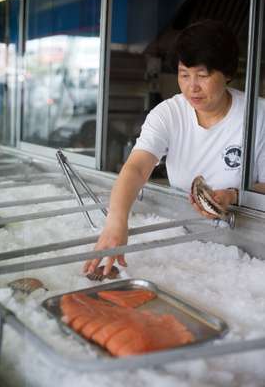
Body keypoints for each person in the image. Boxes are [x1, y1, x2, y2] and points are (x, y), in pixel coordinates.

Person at [83, 19, 265, 276]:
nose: (192, 86)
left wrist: (234, 195)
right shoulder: (169, 113)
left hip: (249, 248)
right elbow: (136, 168)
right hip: (186, 239)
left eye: (202, 75)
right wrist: (116, 221)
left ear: (227, 74)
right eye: (184, 74)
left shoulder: (258, 116)